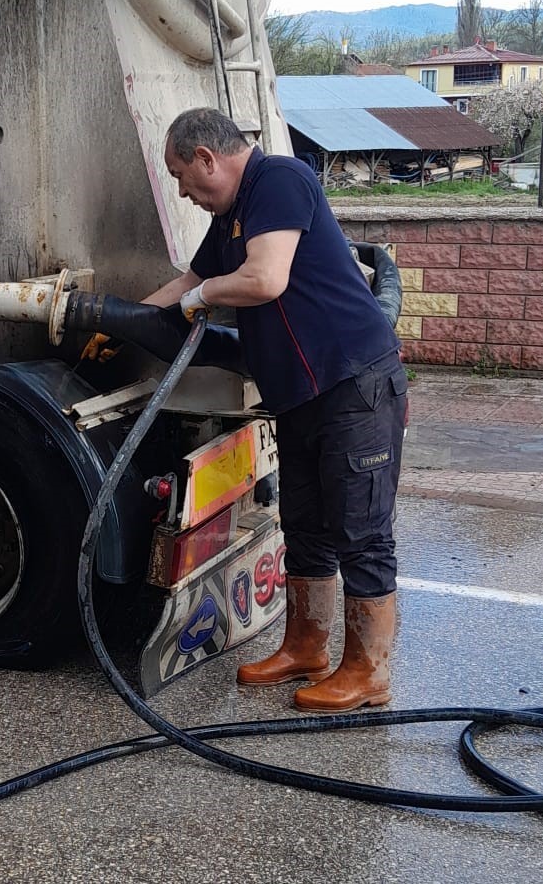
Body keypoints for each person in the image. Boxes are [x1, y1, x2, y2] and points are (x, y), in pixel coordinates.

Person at [143, 107, 407, 712]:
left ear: (209, 159)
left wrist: (199, 300)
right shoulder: (234, 211)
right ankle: (306, 648)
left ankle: (369, 671)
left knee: (360, 531)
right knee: (307, 526)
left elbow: (264, 280)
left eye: (182, 175)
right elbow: (191, 277)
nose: (184, 191)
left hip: (353, 386)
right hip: (299, 396)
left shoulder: (280, 179)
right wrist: (120, 318)